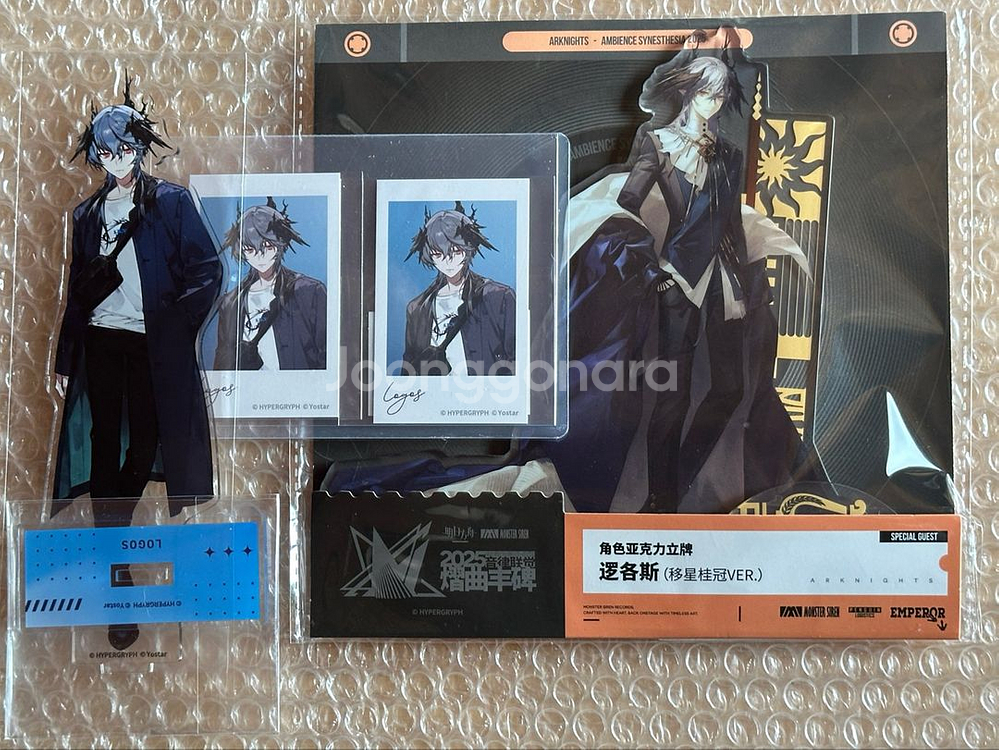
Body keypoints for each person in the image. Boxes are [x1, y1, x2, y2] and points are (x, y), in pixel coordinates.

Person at [52, 78, 222, 524]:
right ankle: (110, 536)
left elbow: (208, 269)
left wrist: (177, 323)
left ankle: (115, 524)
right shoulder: (87, 214)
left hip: (152, 341)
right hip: (101, 337)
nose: (117, 158)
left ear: (140, 148)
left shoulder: (171, 202)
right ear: (97, 154)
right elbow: (77, 292)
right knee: (104, 437)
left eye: (125, 148)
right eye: (107, 151)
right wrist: (65, 358)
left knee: (147, 437)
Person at [400, 202, 515, 376]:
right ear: (430, 255)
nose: (448, 261)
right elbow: (408, 374)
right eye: (438, 254)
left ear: (468, 248)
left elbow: (518, 361)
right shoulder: (417, 309)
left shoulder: (498, 297)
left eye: (455, 251)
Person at [213, 198, 327, 371]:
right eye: (250, 249)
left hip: (299, 387)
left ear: (280, 243)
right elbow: (221, 366)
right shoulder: (231, 302)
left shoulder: (309, 292)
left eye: (267, 246)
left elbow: (328, 357)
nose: (260, 256)